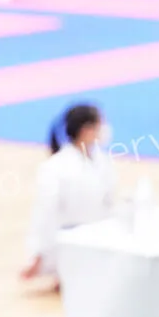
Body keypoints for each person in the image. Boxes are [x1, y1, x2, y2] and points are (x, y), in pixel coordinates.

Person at [23, 103, 118, 284]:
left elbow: (109, 205)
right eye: (100, 124)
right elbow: (44, 213)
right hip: (67, 244)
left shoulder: (103, 162)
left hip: (99, 240)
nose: (105, 130)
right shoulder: (55, 168)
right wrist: (37, 254)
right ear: (86, 130)